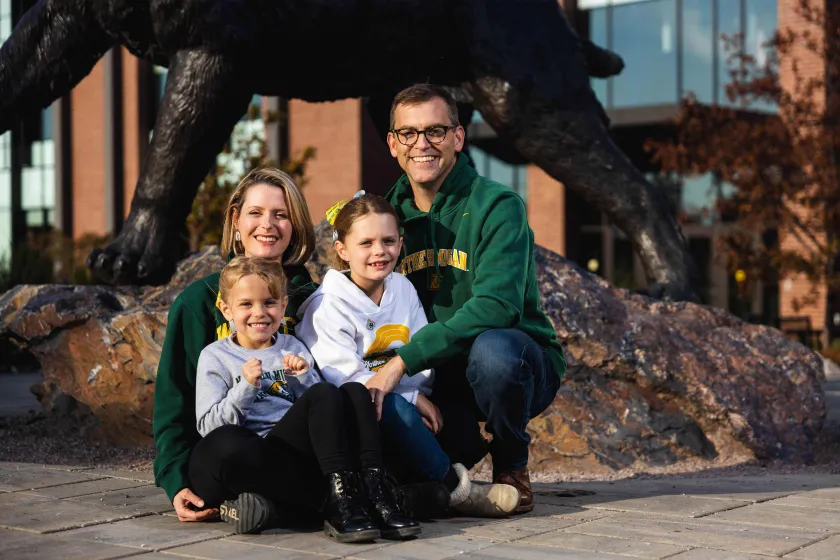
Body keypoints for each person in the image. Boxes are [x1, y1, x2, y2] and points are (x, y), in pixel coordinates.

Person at [366, 84, 567, 513]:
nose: (422, 144)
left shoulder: (497, 205)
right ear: (392, 144)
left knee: (493, 353)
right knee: (415, 471)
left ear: (458, 138)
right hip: (437, 379)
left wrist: (400, 364)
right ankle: (461, 459)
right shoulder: (385, 218)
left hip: (515, 362)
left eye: (436, 131)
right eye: (409, 133)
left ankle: (512, 462)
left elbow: (498, 307)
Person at [296, 193, 521, 518]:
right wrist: (410, 397)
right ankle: (458, 490)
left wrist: (414, 393)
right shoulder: (326, 306)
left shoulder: (401, 287)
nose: (379, 251)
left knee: (457, 425)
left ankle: (413, 492)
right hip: (359, 421)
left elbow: (420, 355)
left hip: (403, 402)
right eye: (366, 243)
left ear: (401, 244)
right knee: (393, 406)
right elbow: (346, 379)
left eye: (388, 241)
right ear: (343, 249)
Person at [192, 256, 419, 541]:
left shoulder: (292, 345)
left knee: (353, 391)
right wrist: (246, 387)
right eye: (246, 304)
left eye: (270, 302)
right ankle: (336, 504)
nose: (259, 313)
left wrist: (303, 377)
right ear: (226, 309)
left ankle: (370, 490)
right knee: (222, 444)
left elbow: (325, 411)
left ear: (284, 305)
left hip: (295, 456)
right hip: (253, 454)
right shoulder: (215, 356)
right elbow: (209, 427)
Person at [153, 167, 317, 524]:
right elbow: (173, 401)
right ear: (236, 221)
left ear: (296, 225)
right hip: (231, 450)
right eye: (255, 213)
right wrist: (175, 480)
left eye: (281, 214)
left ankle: (270, 509)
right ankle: (313, 505)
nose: (268, 225)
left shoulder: (313, 299)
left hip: (294, 447)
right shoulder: (199, 301)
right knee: (230, 445)